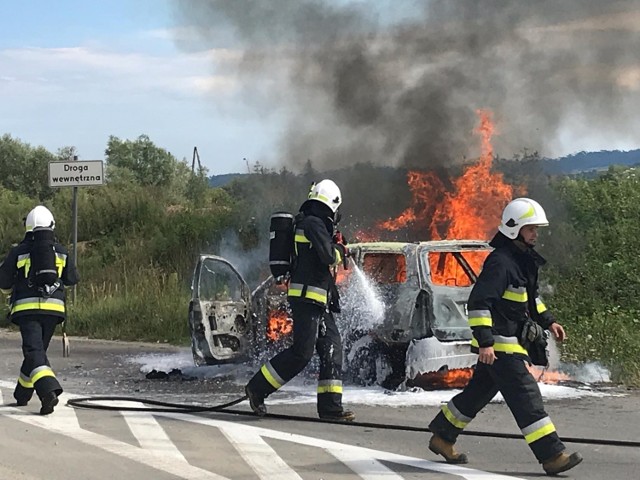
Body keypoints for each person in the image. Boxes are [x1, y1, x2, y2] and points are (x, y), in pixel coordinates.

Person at [427, 198, 583, 476]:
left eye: (536, 229)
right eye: (531, 228)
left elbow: (530, 301)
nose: (536, 234)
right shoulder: (501, 263)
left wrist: (550, 322)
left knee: (477, 394)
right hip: (500, 346)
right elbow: (478, 303)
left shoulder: (521, 261)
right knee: (526, 396)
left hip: (506, 344)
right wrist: (485, 341)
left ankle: (442, 435)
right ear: (515, 229)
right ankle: (552, 455)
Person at [245, 179, 354, 421]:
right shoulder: (313, 223)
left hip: (319, 300)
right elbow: (327, 256)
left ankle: (330, 409)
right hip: (307, 298)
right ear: (332, 203)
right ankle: (257, 388)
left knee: (332, 350)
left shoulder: (315, 223)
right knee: (301, 354)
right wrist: (341, 250)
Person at [0, 205, 79, 415]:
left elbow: (3, 282)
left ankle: (48, 392)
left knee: (34, 352)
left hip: (27, 311)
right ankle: (22, 394)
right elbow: (72, 279)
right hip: (53, 311)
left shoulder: (18, 251)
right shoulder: (61, 251)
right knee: (37, 354)